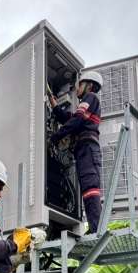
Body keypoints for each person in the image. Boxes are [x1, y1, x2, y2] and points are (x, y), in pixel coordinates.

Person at [49, 70, 104, 234]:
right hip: (84, 150)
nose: (77, 88)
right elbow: (70, 118)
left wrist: (56, 136)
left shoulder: (91, 97)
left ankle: (96, 229)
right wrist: (55, 107)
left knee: (90, 188)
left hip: (88, 149)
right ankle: (95, 227)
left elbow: (76, 120)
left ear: (89, 85)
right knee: (88, 189)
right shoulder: (88, 104)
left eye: (80, 85)